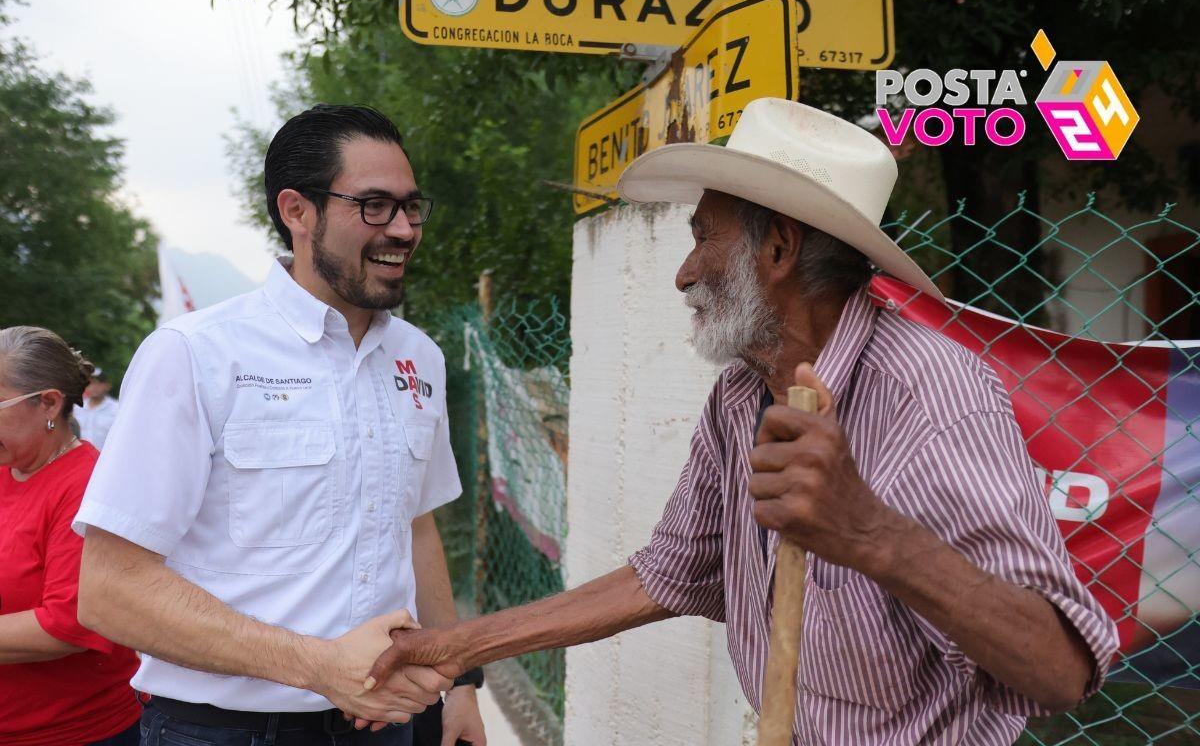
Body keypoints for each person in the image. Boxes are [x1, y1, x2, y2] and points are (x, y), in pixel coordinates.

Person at [365, 99, 1120, 743]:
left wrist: (870, 534)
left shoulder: (932, 397)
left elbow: (1058, 671)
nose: (683, 272)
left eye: (702, 236)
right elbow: (663, 575)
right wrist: (456, 645)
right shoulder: (739, 397)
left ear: (781, 249)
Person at [74, 105, 486, 745]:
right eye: (374, 205)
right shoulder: (195, 353)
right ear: (297, 211)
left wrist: (459, 685)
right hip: (223, 733)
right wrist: (320, 668)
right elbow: (109, 590)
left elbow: (417, 524)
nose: (403, 229)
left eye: (411, 206)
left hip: (385, 727)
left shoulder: (418, 357)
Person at [0, 326, 141, 746]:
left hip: (70, 732)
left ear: (48, 403)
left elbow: (67, 623)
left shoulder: (87, 485)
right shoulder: (7, 466)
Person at [75, 367, 120, 449]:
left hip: (105, 457)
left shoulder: (117, 409)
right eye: (90, 383)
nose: (94, 387)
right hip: (81, 457)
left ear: (107, 386)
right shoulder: (77, 408)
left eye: (98, 383)